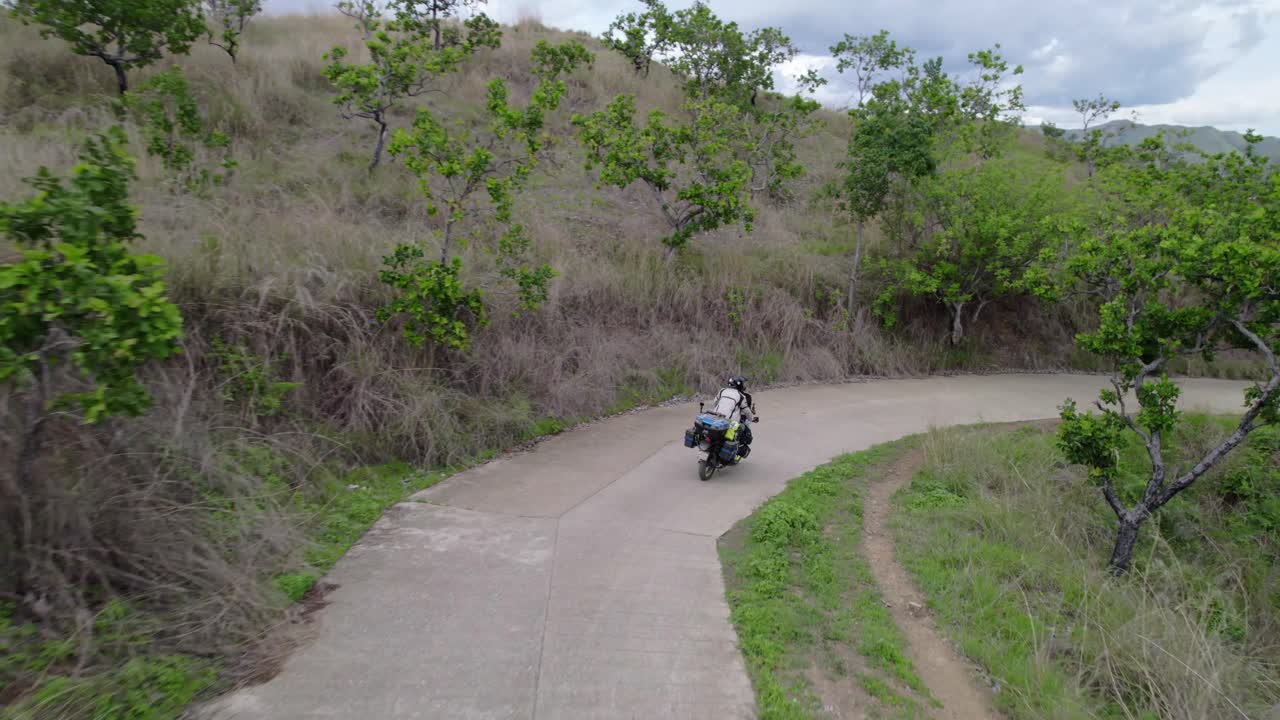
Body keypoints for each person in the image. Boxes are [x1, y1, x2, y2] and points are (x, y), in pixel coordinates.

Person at [709, 375, 756, 450]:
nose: (744, 386)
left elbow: (715, 402)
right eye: (743, 384)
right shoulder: (741, 396)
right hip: (728, 421)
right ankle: (734, 449)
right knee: (742, 428)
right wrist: (752, 418)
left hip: (715, 417)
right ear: (739, 384)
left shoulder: (722, 390)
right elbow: (746, 410)